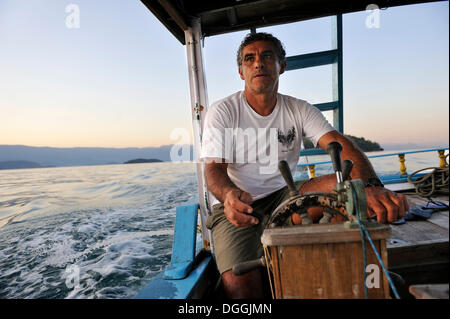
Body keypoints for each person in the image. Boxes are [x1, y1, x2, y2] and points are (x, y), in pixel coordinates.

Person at [200, 32, 408, 299]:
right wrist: (229, 196)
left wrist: (371, 187)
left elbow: (339, 144)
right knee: (242, 291)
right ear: (241, 72)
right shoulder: (223, 111)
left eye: (267, 56)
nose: (258, 64)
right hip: (238, 206)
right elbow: (213, 170)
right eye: (249, 59)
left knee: (345, 185)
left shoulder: (299, 109)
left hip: (286, 195)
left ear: (281, 65)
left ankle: (355, 268)